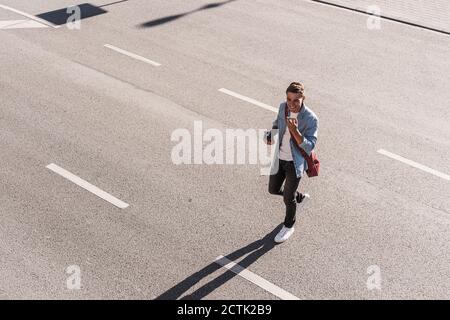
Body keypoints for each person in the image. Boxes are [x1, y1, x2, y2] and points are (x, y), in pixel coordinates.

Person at [265, 82, 319, 243]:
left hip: (295, 163)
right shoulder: (283, 108)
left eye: (296, 100)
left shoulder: (310, 119)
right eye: (289, 99)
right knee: (273, 189)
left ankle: (289, 226)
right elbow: (277, 124)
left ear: (303, 98)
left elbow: (309, 146)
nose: (292, 104)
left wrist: (295, 131)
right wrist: (270, 135)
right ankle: (299, 197)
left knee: (288, 198)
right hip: (279, 158)